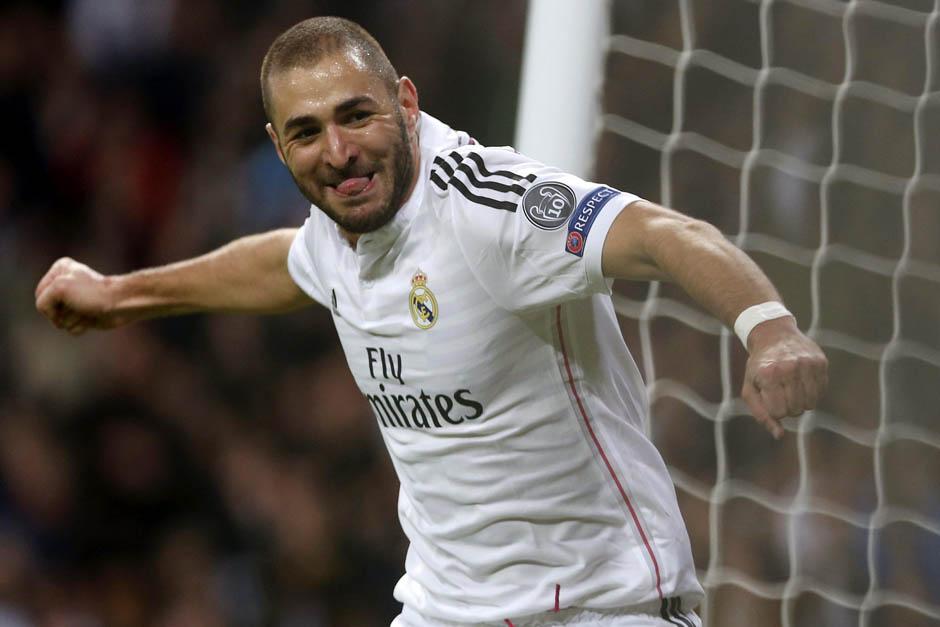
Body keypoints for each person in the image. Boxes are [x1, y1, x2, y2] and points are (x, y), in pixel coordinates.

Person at [35, 16, 828, 627]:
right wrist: (118, 294)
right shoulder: (337, 223)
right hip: (445, 608)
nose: (339, 150)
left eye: (357, 115)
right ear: (279, 149)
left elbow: (664, 235)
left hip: (598, 603)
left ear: (406, 103)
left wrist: (767, 327)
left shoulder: (490, 210)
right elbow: (287, 262)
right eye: (308, 132)